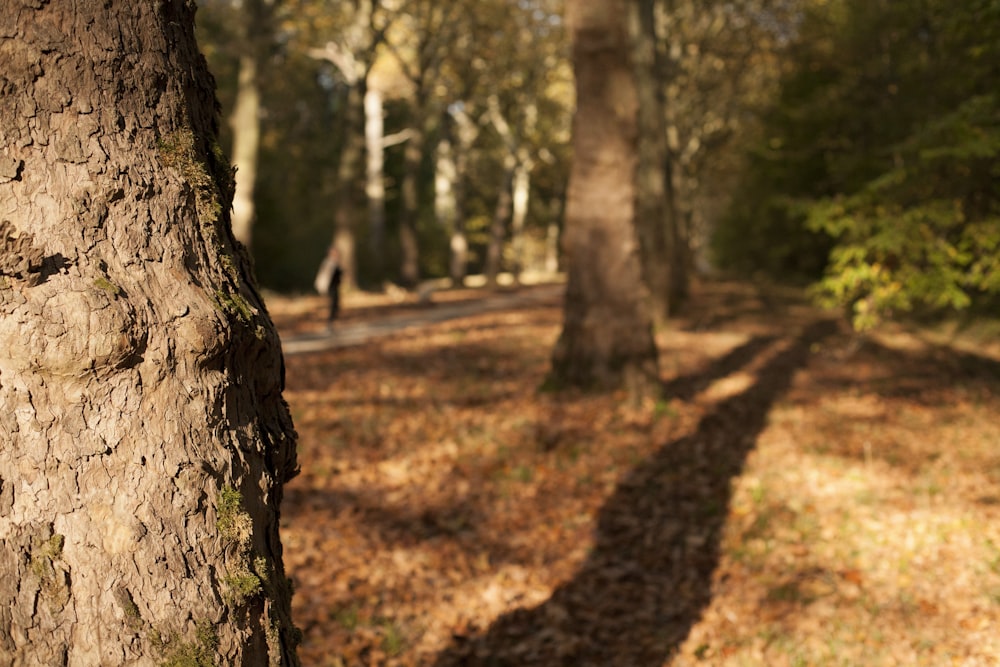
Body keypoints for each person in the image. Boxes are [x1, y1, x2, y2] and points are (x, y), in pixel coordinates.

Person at [314, 246, 343, 330]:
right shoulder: (329, 263)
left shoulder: (336, 263)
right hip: (331, 288)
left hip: (336, 287)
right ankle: (329, 323)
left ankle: (332, 322)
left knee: (336, 305)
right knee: (331, 305)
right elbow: (324, 276)